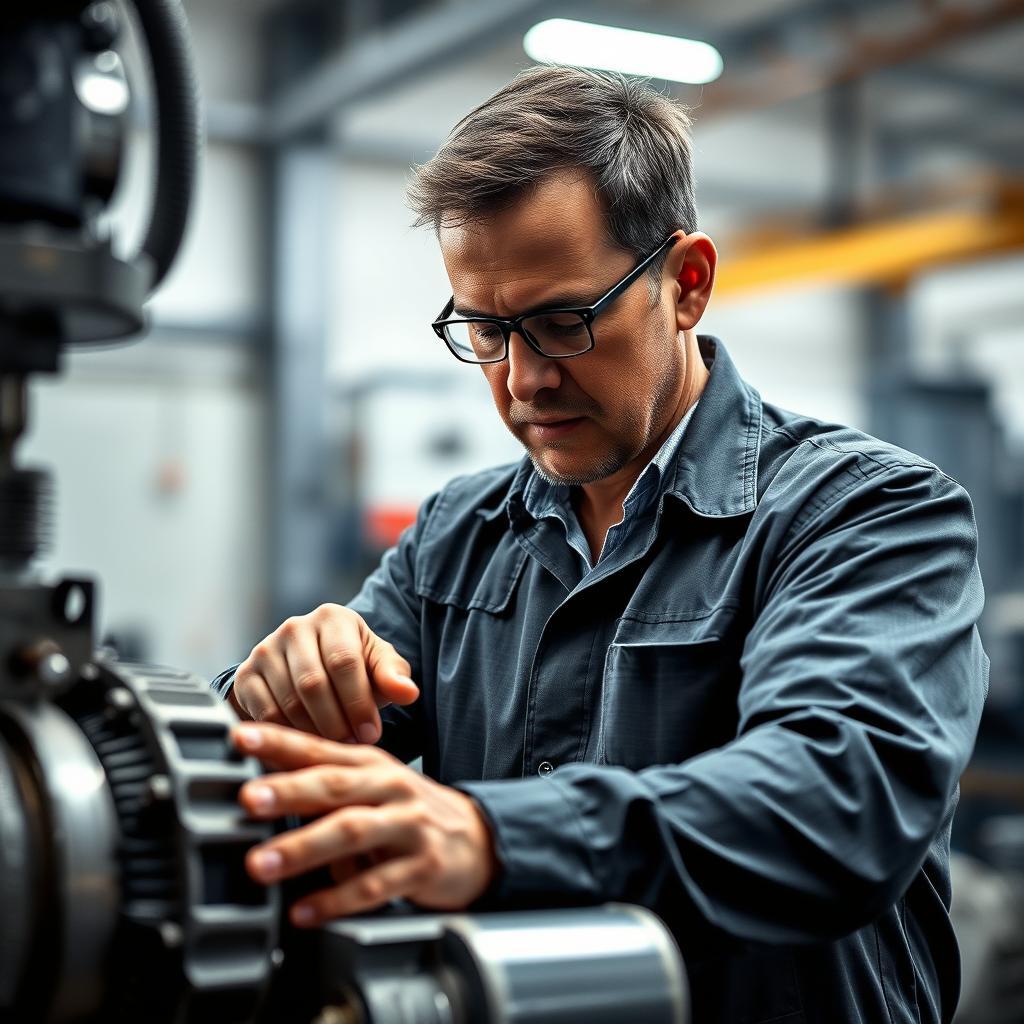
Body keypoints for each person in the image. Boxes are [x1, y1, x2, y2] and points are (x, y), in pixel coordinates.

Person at [212, 66, 988, 1023]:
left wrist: (495, 839)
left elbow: (835, 803)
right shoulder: (460, 533)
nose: (523, 379)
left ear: (687, 283)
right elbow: (287, 747)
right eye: (486, 331)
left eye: (561, 322)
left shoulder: (864, 511)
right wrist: (264, 692)